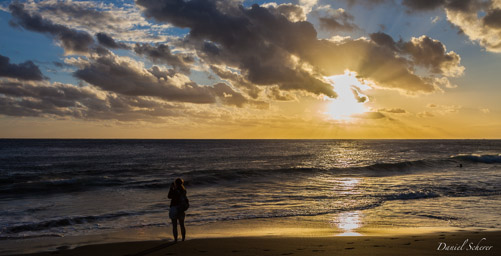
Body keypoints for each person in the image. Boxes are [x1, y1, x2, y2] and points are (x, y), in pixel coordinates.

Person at [168, 178, 187, 242]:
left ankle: (175, 239)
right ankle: (183, 238)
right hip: (181, 208)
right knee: (182, 225)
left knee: (174, 225)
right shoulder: (183, 190)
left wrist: (171, 188)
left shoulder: (175, 190)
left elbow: (169, 196)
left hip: (174, 208)